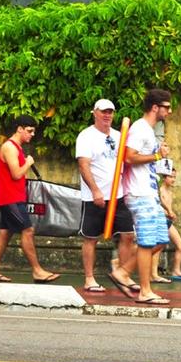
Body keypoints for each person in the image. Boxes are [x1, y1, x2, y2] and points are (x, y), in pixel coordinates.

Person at [108, 88, 171, 305]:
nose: (169, 112)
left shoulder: (148, 131)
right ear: (155, 107)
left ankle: (123, 271)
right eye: (167, 107)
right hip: (138, 193)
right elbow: (129, 157)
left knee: (161, 239)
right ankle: (145, 291)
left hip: (149, 192)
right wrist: (156, 154)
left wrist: (158, 155)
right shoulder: (140, 128)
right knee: (146, 242)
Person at [0, 115, 59, 284]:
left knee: (5, 233)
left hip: (12, 197)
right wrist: (28, 162)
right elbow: (16, 174)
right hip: (10, 199)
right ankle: (37, 271)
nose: (32, 134)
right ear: (19, 128)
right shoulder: (10, 147)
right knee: (28, 230)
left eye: (33, 131)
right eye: (29, 131)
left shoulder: (16, 147)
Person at [75, 99, 136, 293]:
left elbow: (127, 162)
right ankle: (89, 279)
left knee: (127, 235)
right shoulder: (86, 136)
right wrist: (95, 191)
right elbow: (83, 165)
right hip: (95, 197)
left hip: (118, 196)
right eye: (103, 112)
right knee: (91, 238)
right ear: (95, 113)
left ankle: (124, 275)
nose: (107, 115)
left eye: (110, 112)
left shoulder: (120, 136)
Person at [153, 159, 181, 282]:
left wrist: (170, 213)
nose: (173, 179)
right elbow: (158, 204)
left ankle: (176, 270)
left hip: (167, 221)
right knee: (158, 247)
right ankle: (153, 274)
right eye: (170, 176)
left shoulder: (170, 191)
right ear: (164, 177)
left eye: (174, 177)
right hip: (161, 220)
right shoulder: (160, 190)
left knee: (180, 246)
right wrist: (168, 211)